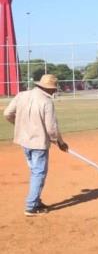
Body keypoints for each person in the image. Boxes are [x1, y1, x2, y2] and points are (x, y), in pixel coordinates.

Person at [3, 74, 69, 216]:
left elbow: (7, 113)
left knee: (35, 172)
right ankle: (31, 206)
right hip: (38, 143)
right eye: (54, 89)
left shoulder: (21, 95)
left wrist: (19, 124)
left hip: (24, 141)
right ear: (50, 89)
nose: (54, 92)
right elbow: (51, 128)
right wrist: (60, 143)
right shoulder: (47, 102)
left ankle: (36, 201)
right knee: (38, 173)